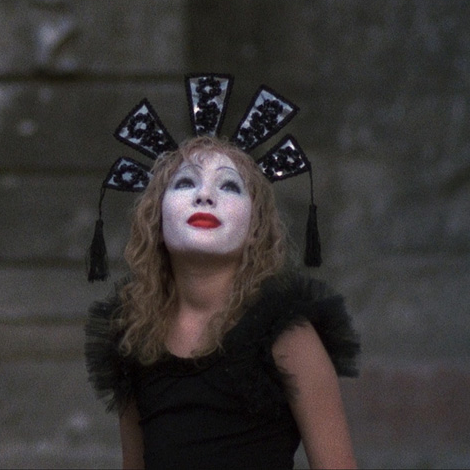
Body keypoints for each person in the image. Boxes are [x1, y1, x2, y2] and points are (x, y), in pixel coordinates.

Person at [85, 133, 360, 469]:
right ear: (156, 219)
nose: (204, 195)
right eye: (185, 182)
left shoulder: (288, 335)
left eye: (229, 186)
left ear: (255, 227)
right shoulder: (134, 337)